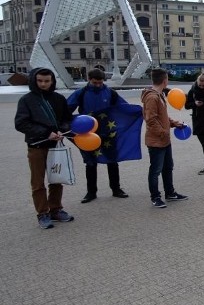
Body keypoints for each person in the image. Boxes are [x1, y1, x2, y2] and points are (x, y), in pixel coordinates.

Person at [14, 68, 74, 229]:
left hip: (55, 146)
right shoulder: (26, 100)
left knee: (56, 179)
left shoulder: (59, 98)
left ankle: (55, 209)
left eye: (47, 81)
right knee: (38, 182)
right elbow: (21, 123)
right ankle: (42, 213)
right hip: (36, 146)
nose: (43, 84)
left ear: (52, 81)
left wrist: (62, 129)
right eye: (40, 81)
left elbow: (67, 119)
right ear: (34, 80)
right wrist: (46, 133)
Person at [66, 68, 129, 202]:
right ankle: (91, 192)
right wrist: (69, 125)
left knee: (112, 161)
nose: (98, 85)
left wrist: (135, 112)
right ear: (88, 80)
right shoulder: (80, 93)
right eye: (95, 83)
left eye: (100, 83)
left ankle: (116, 189)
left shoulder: (110, 93)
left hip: (108, 132)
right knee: (90, 163)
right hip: (88, 134)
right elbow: (65, 111)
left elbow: (124, 107)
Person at [141, 68, 189, 208]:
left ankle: (170, 193)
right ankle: (155, 197)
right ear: (165, 80)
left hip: (164, 139)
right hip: (156, 141)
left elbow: (162, 117)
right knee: (155, 170)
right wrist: (163, 132)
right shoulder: (152, 97)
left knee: (168, 167)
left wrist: (174, 123)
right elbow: (150, 119)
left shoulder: (159, 95)